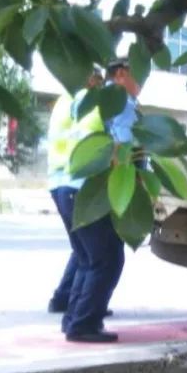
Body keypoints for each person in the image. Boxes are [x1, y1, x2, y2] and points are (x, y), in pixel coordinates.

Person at [51, 59, 141, 342]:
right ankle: (83, 324)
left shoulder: (72, 101)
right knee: (107, 259)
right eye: (140, 79)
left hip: (63, 185)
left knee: (87, 258)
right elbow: (122, 151)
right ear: (123, 75)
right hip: (88, 188)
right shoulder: (118, 101)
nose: (140, 88)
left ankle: (75, 319)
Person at [46, 70, 103, 314]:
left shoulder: (63, 100)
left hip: (58, 181)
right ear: (90, 79)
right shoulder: (84, 100)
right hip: (76, 181)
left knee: (81, 251)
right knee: (93, 256)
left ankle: (66, 301)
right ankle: (79, 308)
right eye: (99, 82)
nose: (100, 88)